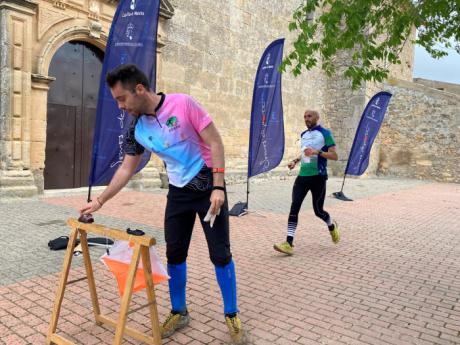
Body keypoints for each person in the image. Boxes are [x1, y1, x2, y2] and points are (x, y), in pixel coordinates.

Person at [80, 64, 245, 344]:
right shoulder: (136, 129)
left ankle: (231, 314)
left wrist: (218, 186)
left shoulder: (183, 104)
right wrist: (99, 200)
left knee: (220, 253)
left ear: (140, 89)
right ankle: (179, 312)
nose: (120, 106)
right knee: (175, 254)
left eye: (122, 98)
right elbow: (126, 168)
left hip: (207, 186)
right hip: (178, 192)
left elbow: (215, 142)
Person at [274, 110, 340, 256]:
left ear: (317, 118)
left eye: (309, 116)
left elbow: (334, 155)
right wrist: (295, 161)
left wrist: (317, 152)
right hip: (302, 177)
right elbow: (305, 152)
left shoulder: (325, 133)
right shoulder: (303, 135)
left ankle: (331, 225)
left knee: (318, 211)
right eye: (304, 116)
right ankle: (288, 243)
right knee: (294, 207)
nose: (306, 119)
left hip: (318, 177)